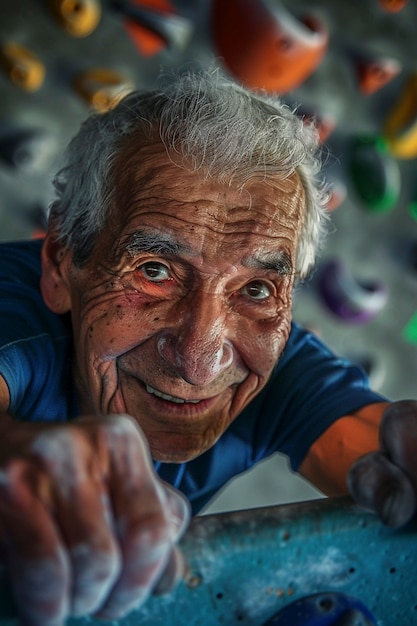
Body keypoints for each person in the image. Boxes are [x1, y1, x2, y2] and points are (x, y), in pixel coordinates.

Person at [0, 68, 415, 625]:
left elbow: (381, 455)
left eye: (256, 288)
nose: (200, 360)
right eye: (154, 271)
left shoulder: (273, 359)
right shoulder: (14, 309)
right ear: (60, 262)